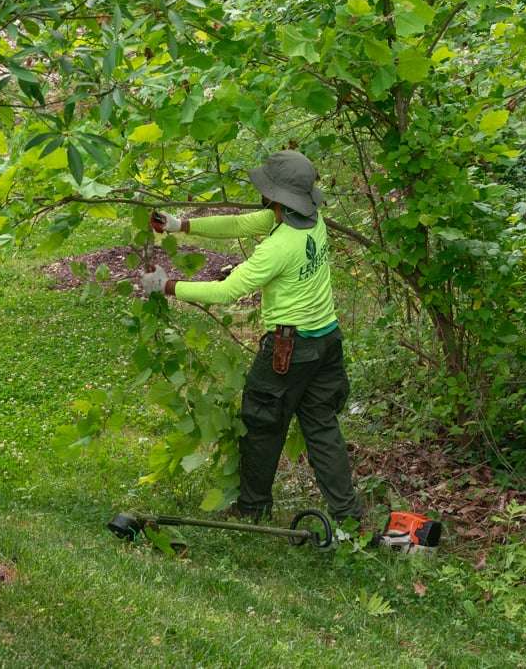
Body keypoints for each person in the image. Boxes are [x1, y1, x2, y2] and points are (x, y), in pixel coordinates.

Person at [139, 150, 363, 524]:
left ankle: (252, 509)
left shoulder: (278, 248)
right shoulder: (312, 220)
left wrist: (167, 286)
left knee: (261, 424)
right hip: (326, 343)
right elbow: (245, 224)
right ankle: (348, 514)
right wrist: (182, 226)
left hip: (288, 351)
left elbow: (227, 291)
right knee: (322, 427)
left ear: (275, 195)